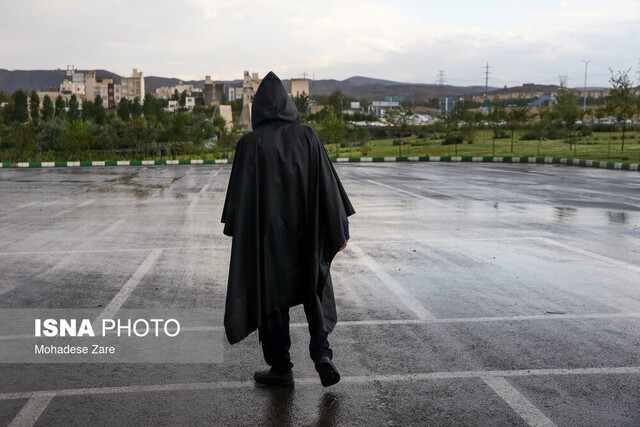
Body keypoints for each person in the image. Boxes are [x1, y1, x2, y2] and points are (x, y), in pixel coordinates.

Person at [221, 71, 355, 387]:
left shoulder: (249, 144)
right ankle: (322, 352)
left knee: (272, 297)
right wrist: (339, 228)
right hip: (306, 235)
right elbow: (328, 186)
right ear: (288, 103)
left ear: (259, 109)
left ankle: (281, 368)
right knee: (313, 286)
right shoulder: (308, 137)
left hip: (267, 241)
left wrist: (243, 236)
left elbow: (239, 202)